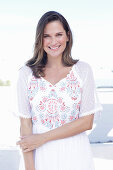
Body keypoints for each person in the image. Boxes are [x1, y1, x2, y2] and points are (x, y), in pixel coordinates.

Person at [16, 11, 102, 170]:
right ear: (39, 39)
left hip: (75, 154)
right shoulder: (26, 74)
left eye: (58, 34)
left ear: (68, 36)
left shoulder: (83, 71)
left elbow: (86, 122)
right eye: (46, 36)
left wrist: (42, 138)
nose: (53, 41)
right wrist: (30, 168)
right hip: (39, 156)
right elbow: (25, 125)